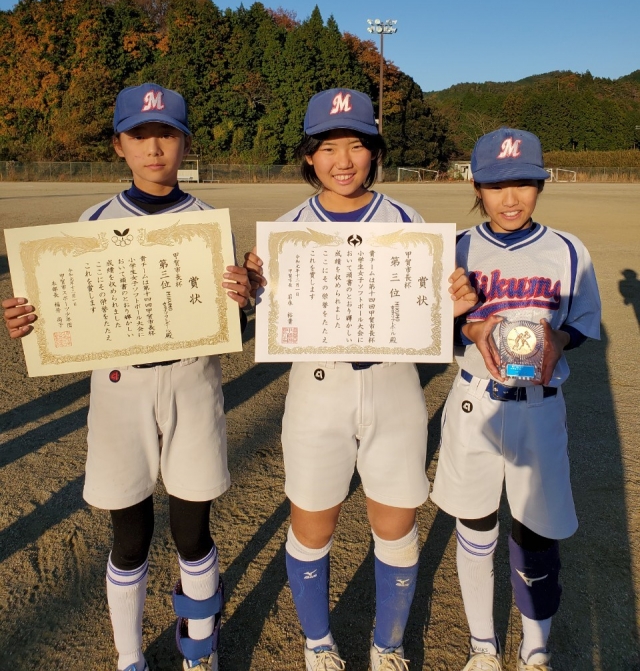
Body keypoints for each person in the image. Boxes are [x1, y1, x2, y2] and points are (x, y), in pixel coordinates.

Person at [2, 83, 251, 671]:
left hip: (193, 384)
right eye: (139, 135)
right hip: (120, 390)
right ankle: (129, 656)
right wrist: (29, 318)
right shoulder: (93, 222)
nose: (154, 148)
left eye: (166, 134)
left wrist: (244, 300)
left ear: (185, 142)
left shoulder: (209, 224)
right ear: (118, 145)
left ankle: (199, 650)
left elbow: (230, 324)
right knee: (130, 538)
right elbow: (68, 307)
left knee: (192, 534)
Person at [244, 88, 478, 671]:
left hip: (394, 386)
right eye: (328, 147)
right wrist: (250, 291)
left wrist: (452, 306)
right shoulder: (287, 230)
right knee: (312, 523)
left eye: (356, 145)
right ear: (309, 156)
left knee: (396, 524)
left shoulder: (408, 222)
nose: (343, 161)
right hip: (317, 388)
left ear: (374, 151)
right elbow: (267, 317)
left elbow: (428, 312)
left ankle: (387, 647)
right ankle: (318, 644)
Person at [430, 128, 602, 671]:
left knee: (535, 531)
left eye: (524, 183)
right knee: (475, 527)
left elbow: (582, 323)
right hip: (474, 403)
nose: (511, 198)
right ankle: (483, 645)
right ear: (476, 186)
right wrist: (466, 324)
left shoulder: (568, 250)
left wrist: (559, 339)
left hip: (540, 404)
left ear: (541, 184)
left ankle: (535, 647)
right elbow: (427, 326)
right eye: (496, 185)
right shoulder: (455, 248)